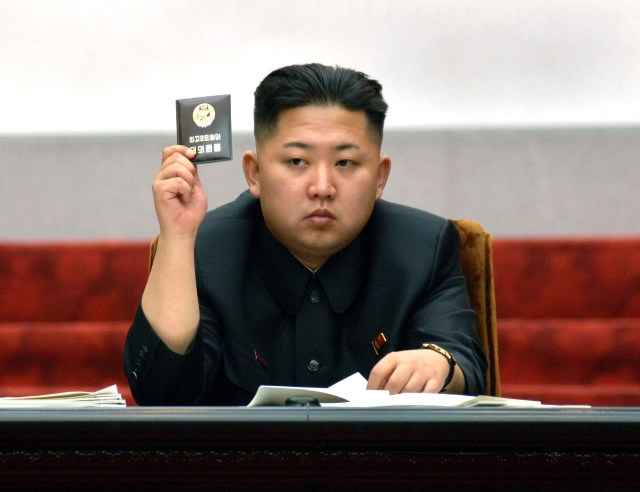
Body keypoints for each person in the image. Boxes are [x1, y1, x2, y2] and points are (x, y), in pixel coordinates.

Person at [124, 63, 487, 405]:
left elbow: (462, 359)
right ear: (255, 173)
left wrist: (438, 364)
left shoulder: (423, 248)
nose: (322, 187)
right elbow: (160, 393)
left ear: (379, 177)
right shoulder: (207, 250)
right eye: (297, 162)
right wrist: (178, 238)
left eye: (345, 163)